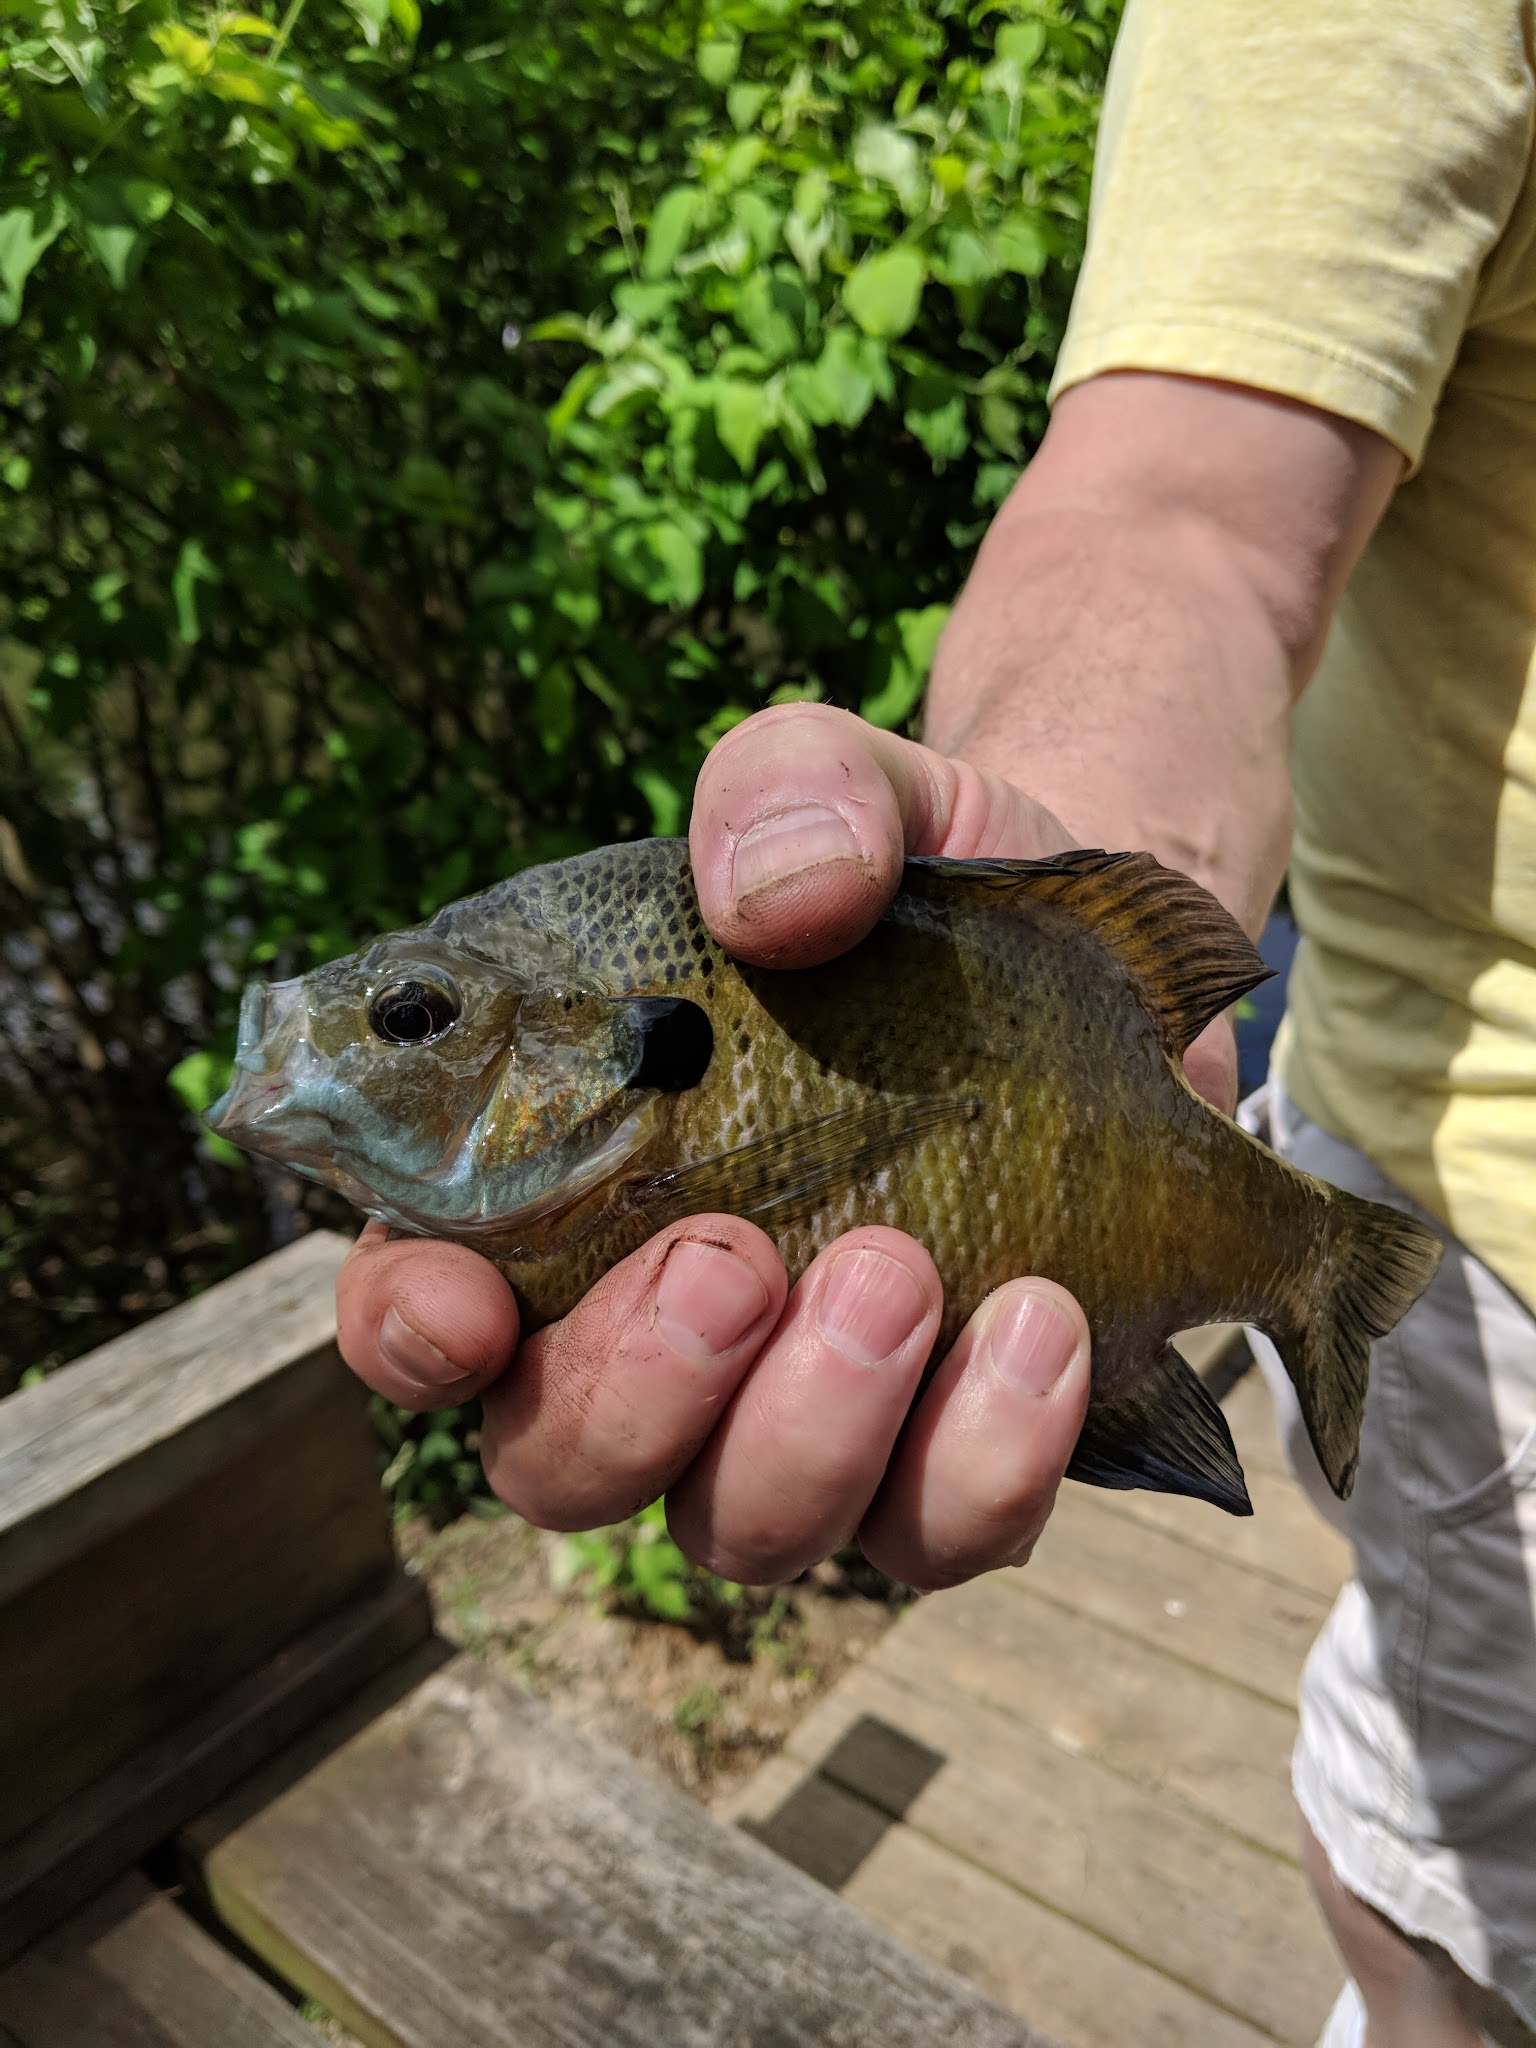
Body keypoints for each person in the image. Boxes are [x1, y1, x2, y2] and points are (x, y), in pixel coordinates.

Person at [335, 3, 1536, 2042]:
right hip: (1500, 1222)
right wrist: (1069, 827)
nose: (348, 1050)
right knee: (1459, 1905)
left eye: (412, 1021)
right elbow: (1188, 513)